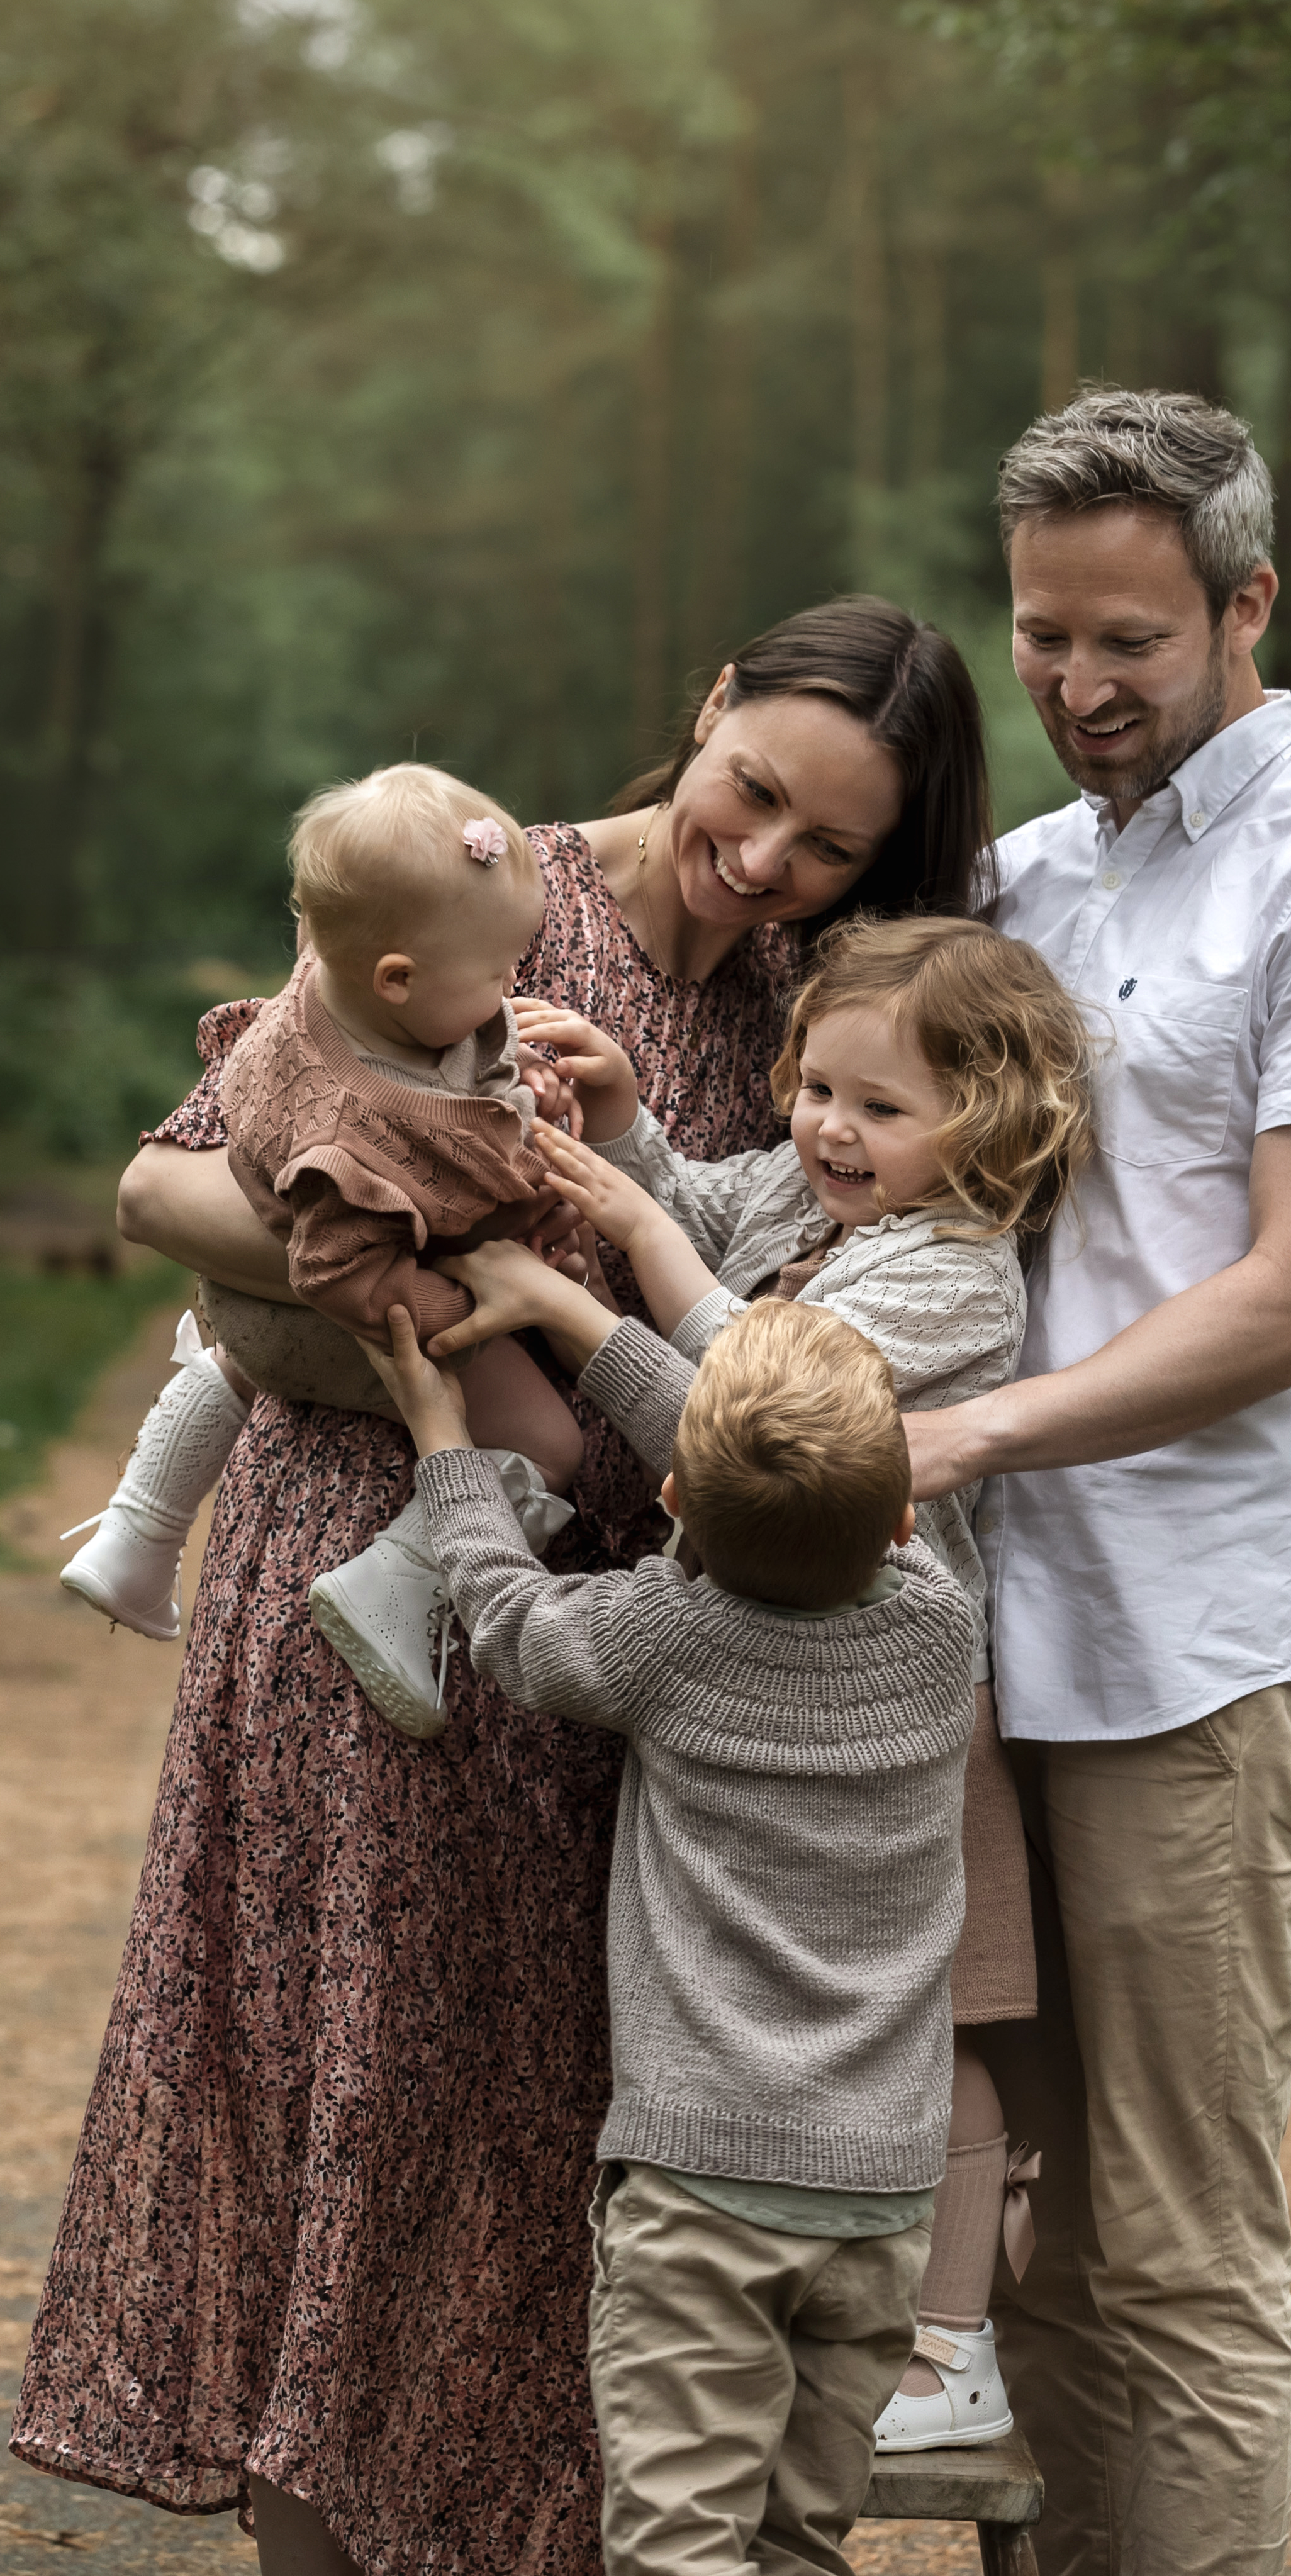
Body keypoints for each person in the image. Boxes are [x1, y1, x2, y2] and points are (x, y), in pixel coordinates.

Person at [12, 594, 993, 2576]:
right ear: (706, 710)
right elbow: (163, 1184)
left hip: (646, 1652)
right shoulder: (476, 883)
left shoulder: (834, 1009)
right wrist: (411, 1280)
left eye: (832, 845)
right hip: (379, 1592)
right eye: (755, 793)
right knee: (356, 2111)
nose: (769, 859)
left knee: (573, 2174)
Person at [903, 388, 1291, 2576]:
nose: (1072, 686)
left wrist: (958, 1431)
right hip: (970, 1653)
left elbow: (1290, 1300)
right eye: (1042, 636)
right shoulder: (1019, 883)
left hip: (1189, 1653)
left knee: (1174, 2253)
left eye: (1127, 639)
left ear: (1248, 603)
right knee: (1010, 2244)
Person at [424, 913, 1098, 2452]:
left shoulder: (957, 1280)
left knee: (944, 2013)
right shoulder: (806, 1184)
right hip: (748, 1656)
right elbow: (714, 1203)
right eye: (818, 1090)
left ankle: (945, 2344)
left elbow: (764, 1396)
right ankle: (790, 2297)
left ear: (984, 1124)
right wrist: (630, 1136)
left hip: (888, 1690)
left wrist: (595, 1278)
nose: (830, 1133)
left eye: (880, 1108)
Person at [360, 1292, 978, 2576]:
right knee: (797, 2537)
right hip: (881, 2196)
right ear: (905, 1521)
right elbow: (756, 1481)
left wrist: (444, 1444)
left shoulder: (666, 1638)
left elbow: (511, 1621)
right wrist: (588, 1326)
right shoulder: (938, 1628)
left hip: (705, 2189)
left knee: (679, 2545)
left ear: (671, 1502)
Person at [52, 763, 595, 1732]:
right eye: (501, 974)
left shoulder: (328, 1006)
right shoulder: (344, 1130)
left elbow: (468, 1056)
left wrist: (528, 1089)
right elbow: (338, 1273)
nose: (513, 988)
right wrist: (468, 1315)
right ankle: (391, 1587)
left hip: (250, 1313)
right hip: (336, 1303)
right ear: (400, 978)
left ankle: (137, 1534)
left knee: (243, 1354)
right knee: (548, 1440)